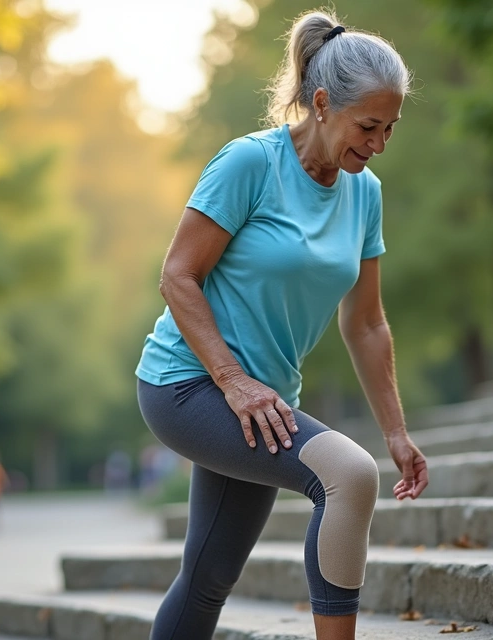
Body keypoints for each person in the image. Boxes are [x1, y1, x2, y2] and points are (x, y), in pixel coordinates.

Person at [134, 10, 428, 640]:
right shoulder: (250, 164)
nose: (378, 144)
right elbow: (177, 276)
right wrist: (234, 382)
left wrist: (397, 432)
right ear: (322, 103)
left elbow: (367, 322)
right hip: (189, 385)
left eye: (391, 129)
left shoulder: (364, 191)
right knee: (347, 476)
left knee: (209, 576)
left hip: (264, 401)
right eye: (368, 126)